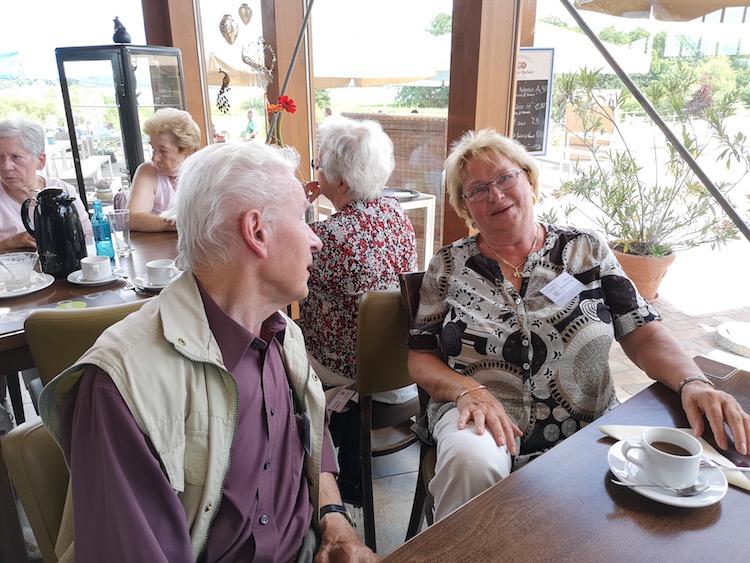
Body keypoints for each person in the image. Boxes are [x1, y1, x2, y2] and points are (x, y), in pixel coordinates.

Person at [39, 141, 377, 562]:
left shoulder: (283, 332)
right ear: (257, 231)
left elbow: (311, 437)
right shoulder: (120, 388)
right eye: (304, 219)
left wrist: (334, 520)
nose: (316, 240)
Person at [407, 128, 750, 521]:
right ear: (466, 207)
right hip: (482, 416)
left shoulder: (586, 250)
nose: (496, 195)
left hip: (589, 422)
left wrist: (693, 382)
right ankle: (464, 546)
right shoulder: (448, 265)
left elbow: (642, 330)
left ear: (529, 179)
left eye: (505, 178)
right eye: (478, 190)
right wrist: (468, 390)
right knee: (471, 460)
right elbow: (420, 356)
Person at [301, 116, 418, 505]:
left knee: (280, 336)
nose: (316, 170)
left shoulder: (325, 238)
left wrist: (296, 208)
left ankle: (305, 455)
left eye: (319, 164)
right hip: (401, 362)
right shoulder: (396, 213)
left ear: (341, 184)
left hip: (348, 370)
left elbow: (282, 278)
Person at [0, 117, 92, 252]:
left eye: (16, 157)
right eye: (0, 157)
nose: (5, 167)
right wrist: (7, 244)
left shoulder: (63, 191)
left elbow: (89, 238)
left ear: (40, 161)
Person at [127, 107, 200, 232]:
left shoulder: (203, 174)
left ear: (188, 152)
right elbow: (132, 218)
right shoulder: (148, 171)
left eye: (163, 151)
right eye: (153, 148)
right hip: (158, 244)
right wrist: (175, 224)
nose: (155, 157)